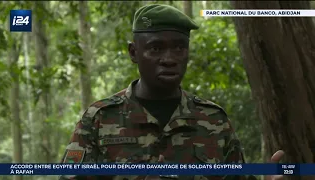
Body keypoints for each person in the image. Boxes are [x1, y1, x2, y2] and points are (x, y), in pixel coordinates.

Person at [59, 4, 285, 180]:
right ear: (133, 52)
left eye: (179, 47)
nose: (169, 59)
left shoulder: (213, 121)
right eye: (156, 48)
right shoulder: (99, 119)